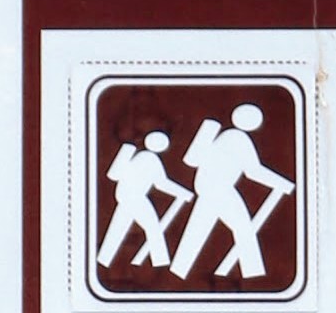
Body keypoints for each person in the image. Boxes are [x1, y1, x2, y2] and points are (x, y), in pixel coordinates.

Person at [174, 100, 295, 282]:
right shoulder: (238, 139)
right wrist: (282, 183)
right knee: (243, 229)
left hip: (207, 189)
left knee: (196, 232)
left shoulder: (224, 136)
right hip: (220, 190)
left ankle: (179, 271)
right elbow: (253, 171)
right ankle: (254, 275)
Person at [97, 126, 189, 273]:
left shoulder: (139, 157)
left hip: (125, 197)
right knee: (153, 228)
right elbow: (160, 183)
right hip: (135, 198)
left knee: (118, 229)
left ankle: (104, 259)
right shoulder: (150, 159)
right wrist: (183, 193)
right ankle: (160, 263)